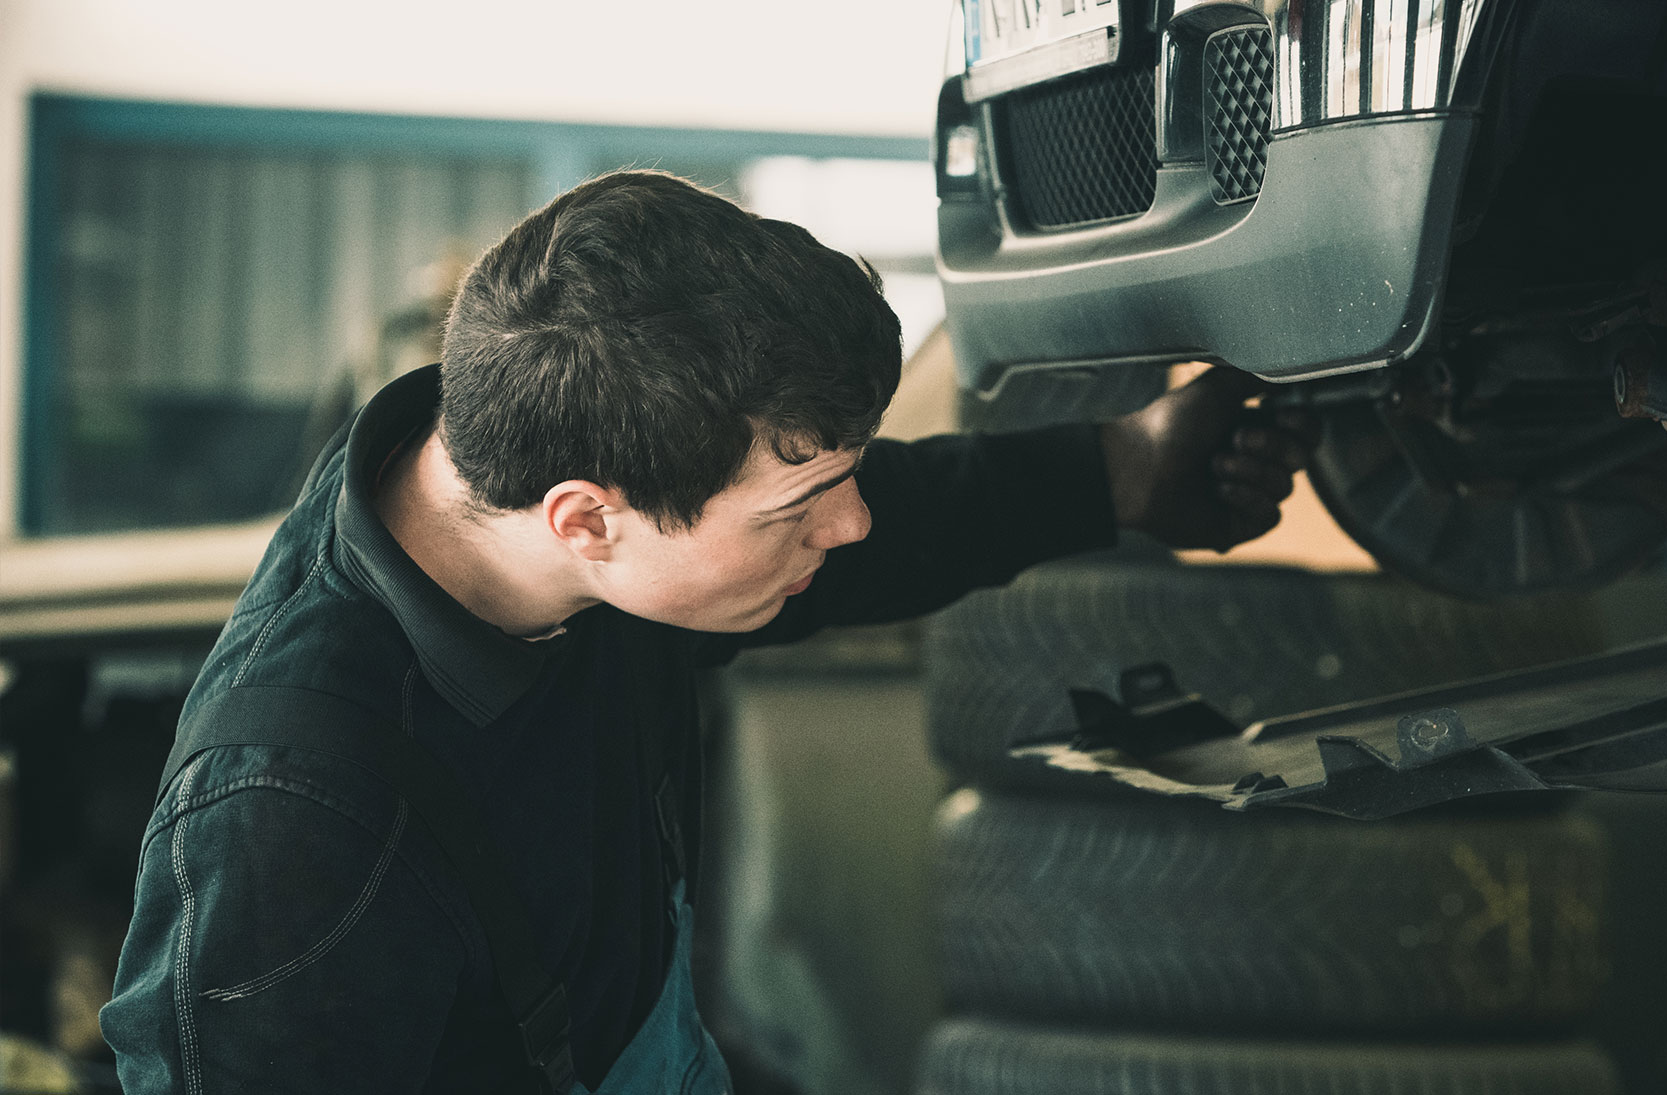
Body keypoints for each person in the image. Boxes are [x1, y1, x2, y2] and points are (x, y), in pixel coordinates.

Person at [99, 170, 1307, 1093]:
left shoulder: (534, 484)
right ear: (589, 522)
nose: (851, 522)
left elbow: (862, 529)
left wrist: (1119, 471)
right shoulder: (292, 819)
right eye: (800, 503)